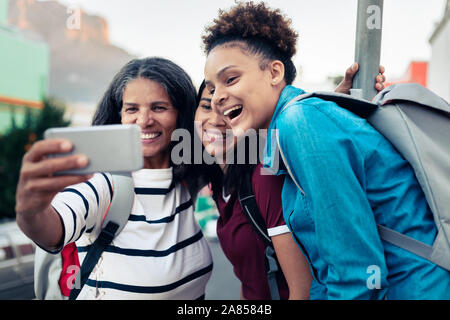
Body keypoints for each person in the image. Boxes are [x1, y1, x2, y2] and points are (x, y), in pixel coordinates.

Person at [200, 1, 450, 299]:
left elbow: (357, 274)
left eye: (231, 79)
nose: (217, 98)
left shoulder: (299, 122)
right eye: (213, 88)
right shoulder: (289, 131)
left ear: (274, 72)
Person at [15, 57, 213, 300]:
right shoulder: (103, 183)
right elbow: (50, 229)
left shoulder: (188, 178)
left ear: (182, 114)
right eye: (132, 109)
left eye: (159, 107)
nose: (144, 120)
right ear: (119, 115)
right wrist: (30, 209)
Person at [194, 61, 385, 300]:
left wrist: (334, 102)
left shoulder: (263, 179)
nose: (216, 117)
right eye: (205, 106)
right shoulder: (219, 183)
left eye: (229, 108)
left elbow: (301, 290)